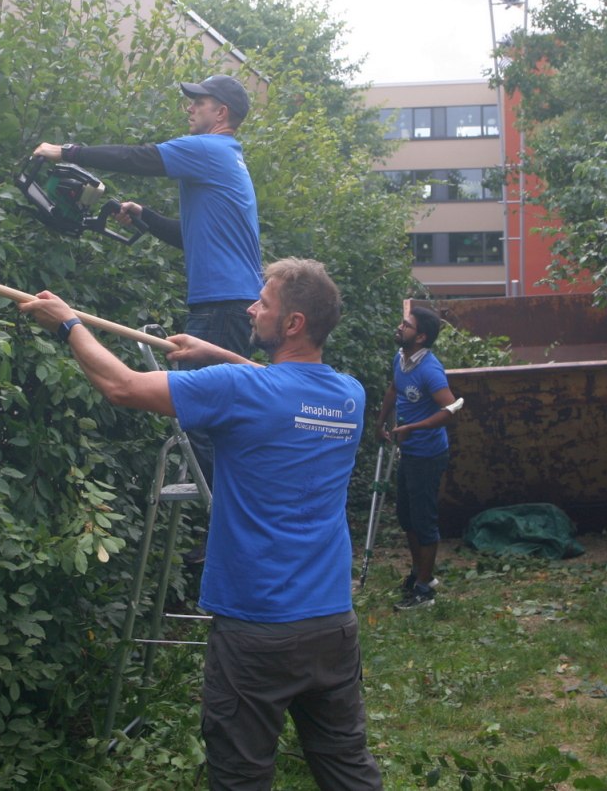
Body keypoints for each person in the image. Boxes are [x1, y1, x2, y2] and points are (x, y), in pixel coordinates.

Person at [19, 258, 382, 791]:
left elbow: (122, 386)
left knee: (241, 776)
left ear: (294, 324)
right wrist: (216, 354)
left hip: (257, 630)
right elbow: (284, 384)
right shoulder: (348, 395)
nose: (252, 308)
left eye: (264, 303)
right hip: (331, 622)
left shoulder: (238, 389)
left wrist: (69, 324)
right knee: (346, 766)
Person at [31, 74, 262, 494]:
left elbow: (141, 157)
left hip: (224, 304)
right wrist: (146, 216)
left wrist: (65, 151)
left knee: (204, 417)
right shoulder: (227, 159)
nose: (189, 107)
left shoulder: (210, 149)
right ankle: (229, 518)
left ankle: (229, 524)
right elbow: (189, 236)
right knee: (216, 415)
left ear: (221, 113)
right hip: (231, 302)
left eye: (198, 101)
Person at [375, 305, 460, 611]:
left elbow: (450, 410)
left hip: (427, 454)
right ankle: (419, 571)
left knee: (424, 521)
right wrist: (381, 420)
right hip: (408, 452)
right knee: (406, 516)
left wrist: (413, 427)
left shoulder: (429, 369)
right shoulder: (402, 358)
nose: (400, 327)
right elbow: (395, 387)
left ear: (421, 337)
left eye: (406, 326)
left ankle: (425, 590)